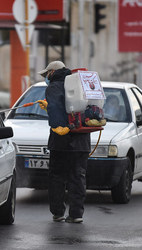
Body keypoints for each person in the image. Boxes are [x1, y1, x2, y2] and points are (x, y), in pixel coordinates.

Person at [37, 61, 90, 223]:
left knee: (57, 177)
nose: (46, 77)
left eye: (47, 74)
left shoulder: (54, 86)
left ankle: (58, 212)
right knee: (78, 177)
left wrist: (57, 126)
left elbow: (55, 109)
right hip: (82, 140)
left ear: (53, 72)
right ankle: (76, 214)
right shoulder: (78, 84)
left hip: (61, 141)